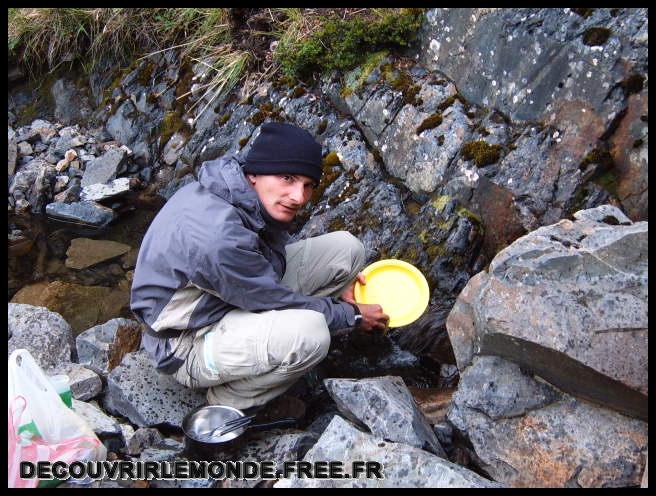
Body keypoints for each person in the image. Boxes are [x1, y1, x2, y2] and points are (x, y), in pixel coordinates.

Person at [130, 122, 389, 412]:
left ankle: (286, 343)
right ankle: (226, 403)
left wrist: (340, 299)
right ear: (255, 173)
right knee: (312, 334)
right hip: (185, 343)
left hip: (231, 297)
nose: (299, 197)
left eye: (308, 185)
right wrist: (351, 315)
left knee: (347, 249)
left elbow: (262, 284)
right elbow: (269, 298)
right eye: (287, 178)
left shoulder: (235, 187)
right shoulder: (218, 237)